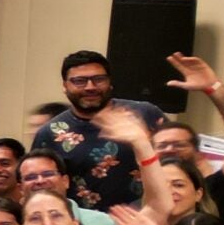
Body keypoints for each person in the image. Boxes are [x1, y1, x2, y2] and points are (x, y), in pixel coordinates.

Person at [31, 49, 164, 211]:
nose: (90, 87)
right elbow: (41, 191)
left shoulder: (144, 114)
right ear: (65, 86)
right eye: (79, 81)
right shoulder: (49, 133)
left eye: (99, 79)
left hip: (150, 217)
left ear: (110, 82)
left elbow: (177, 163)